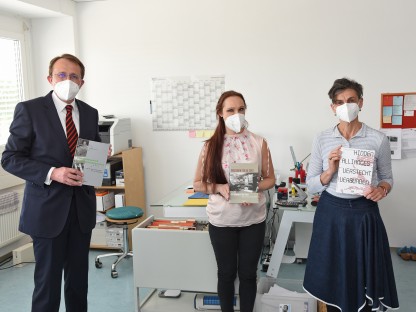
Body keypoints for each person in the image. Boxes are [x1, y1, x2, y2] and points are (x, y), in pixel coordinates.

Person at [1, 54, 101, 312]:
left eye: (74, 76)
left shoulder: (90, 113)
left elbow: (86, 158)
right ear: (50, 78)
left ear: (82, 82)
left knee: (79, 284)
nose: (68, 80)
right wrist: (52, 172)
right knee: (47, 285)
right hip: (46, 212)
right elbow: (10, 158)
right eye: (61, 75)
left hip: (81, 211)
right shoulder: (30, 110)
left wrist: (99, 156)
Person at [303, 78, 399, 312]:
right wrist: (330, 171)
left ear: (361, 102)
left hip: (364, 215)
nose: (346, 106)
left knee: (365, 275)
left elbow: (388, 178)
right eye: (340, 102)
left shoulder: (378, 139)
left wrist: (382, 190)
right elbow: (311, 185)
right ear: (333, 107)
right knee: (332, 274)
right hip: (331, 214)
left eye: (351, 100)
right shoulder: (322, 138)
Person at [193, 90, 276, 312]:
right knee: (226, 273)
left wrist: (251, 187)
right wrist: (219, 187)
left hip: (253, 220)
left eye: (241, 109)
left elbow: (270, 179)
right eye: (230, 110)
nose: (236, 114)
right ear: (220, 113)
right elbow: (198, 184)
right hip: (222, 221)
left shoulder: (259, 142)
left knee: (248, 274)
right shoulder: (210, 146)